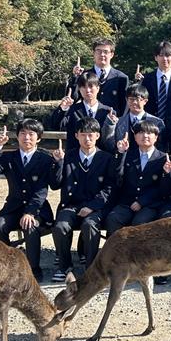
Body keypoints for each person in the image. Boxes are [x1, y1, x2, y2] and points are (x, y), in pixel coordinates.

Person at [0, 119, 54, 282]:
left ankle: (33, 270)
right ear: (17, 136)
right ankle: (7, 267)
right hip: (13, 208)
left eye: (31, 134)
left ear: (39, 138)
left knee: (31, 226)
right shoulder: (9, 157)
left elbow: (42, 190)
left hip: (38, 209)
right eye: (23, 133)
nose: (26, 138)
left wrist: (30, 212)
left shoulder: (45, 158)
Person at [49, 117, 114, 281]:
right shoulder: (68, 157)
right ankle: (64, 267)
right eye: (83, 134)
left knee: (90, 225)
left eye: (91, 135)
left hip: (95, 207)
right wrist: (58, 163)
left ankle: (91, 268)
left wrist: (92, 206)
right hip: (70, 205)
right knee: (61, 226)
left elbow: (110, 188)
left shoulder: (106, 158)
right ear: (76, 135)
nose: (87, 139)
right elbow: (55, 185)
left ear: (98, 136)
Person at [104, 120, 166, 236]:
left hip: (149, 204)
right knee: (113, 219)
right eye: (141, 132)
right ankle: (116, 252)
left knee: (140, 223)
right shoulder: (128, 155)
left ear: (156, 137)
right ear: (135, 137)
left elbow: (162, 187)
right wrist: (121, 153)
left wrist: (142, 202)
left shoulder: (163, 158)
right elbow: (116, 175)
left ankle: (138, 254)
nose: (145, 136)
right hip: (127, 202)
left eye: (149, 133)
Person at [50, 72, 114, 152]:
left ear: (98, 88)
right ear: (79, 89)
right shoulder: (72, 110)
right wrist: (63, 108)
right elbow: (56, 125)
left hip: (102, 158)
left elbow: (111, 138)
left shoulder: (108, 112)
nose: (88, 90)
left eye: (91, 86)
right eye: (84, 87)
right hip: (75, 157)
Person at [67, 37, 129, 115]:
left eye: (105, 52)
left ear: (112, 54)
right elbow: (73, 99)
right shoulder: (84, 75)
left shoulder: (121, 78)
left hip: (111, 122)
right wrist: (75, 77)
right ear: (93, 53)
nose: (102, 54)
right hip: (87, 122)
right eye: (98, 51)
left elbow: (125, 107)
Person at [101, 83, 166, 154]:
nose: (134, 102)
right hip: (124, 162)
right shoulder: (118, 122)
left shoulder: (157, 122)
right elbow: (109, 145)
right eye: (131, 99)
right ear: (126, 100)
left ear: (145, 101)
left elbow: (161, 148)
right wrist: (110, 124)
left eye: (138, 99)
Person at [137, 40, 171, 127]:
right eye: (161, 55)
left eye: (168, 55)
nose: (164, 59)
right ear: (156, 57)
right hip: (149, 127)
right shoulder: (146, 80)